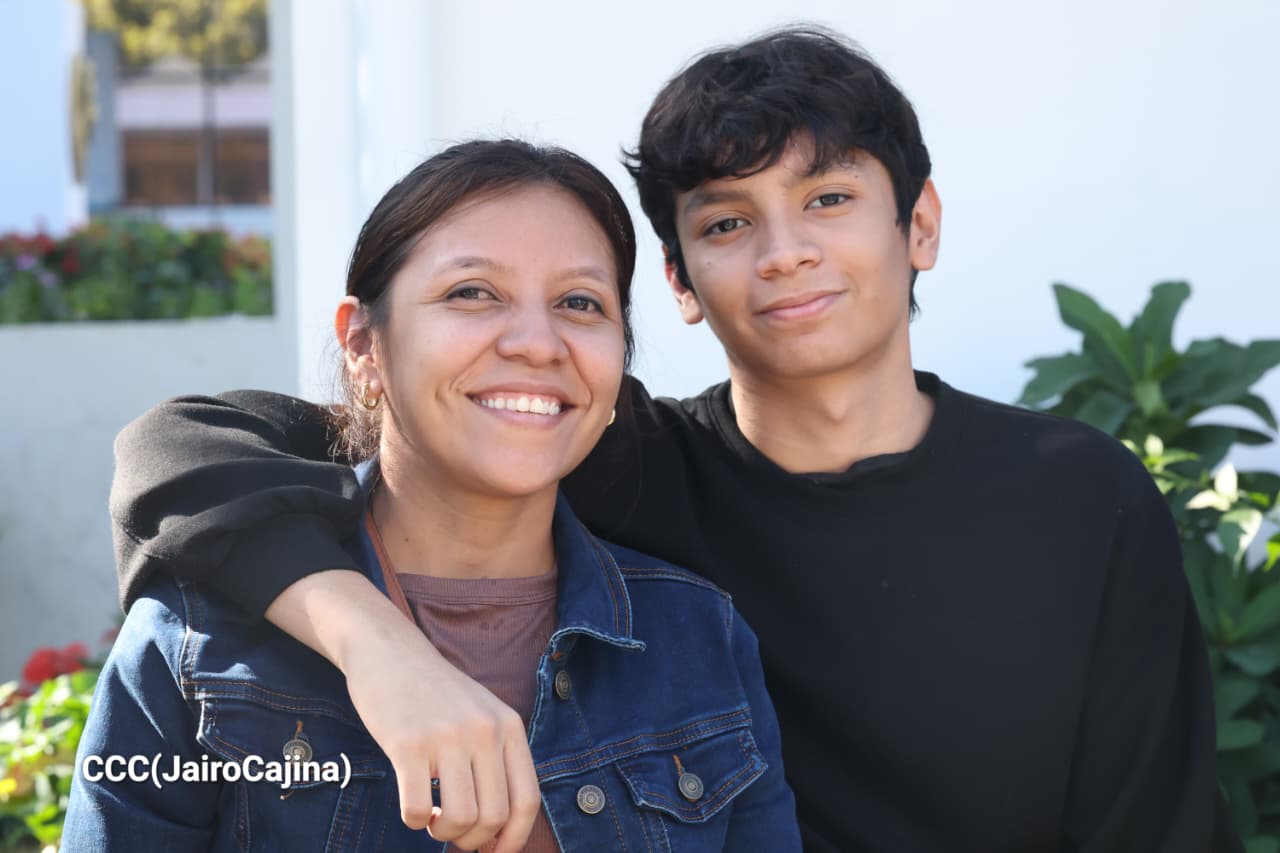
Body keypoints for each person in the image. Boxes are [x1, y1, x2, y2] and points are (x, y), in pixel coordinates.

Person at [107, 28, 1240, 852]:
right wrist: (379, 647)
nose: (785, 252)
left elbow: (1160, 823)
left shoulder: (1073, 497)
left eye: (829, 199)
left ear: (920, 224)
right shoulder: (603, 457)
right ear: (681, 282)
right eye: (728, 222)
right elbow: (181, 450)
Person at [64, 140, 801, 852]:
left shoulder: (701, 639)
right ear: (363, 346)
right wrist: (379, 651)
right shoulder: (194, 642)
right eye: (471, 292)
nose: (537, 342)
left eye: (580, 302)